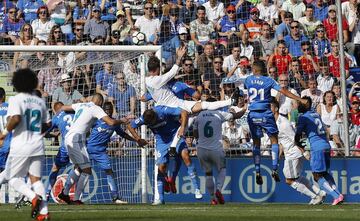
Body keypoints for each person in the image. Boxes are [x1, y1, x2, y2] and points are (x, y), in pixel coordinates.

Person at [146, 46, 239, 148]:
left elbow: (144, 97)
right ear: (158, 69)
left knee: (188, 121)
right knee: (204, 105)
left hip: (165, 109)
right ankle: (230, 101)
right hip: (177, 106)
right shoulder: (165, 81)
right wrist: (179, 58)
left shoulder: (147, 81)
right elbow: (172, 73)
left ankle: (173, 146)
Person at [57, 93, 131, 204]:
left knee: (79, 168)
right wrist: (123, 120)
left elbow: (62, 107)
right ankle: (76, 198)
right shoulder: (96, 109)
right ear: (100, 102)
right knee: (86, 170)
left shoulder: (81, 105)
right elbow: (111, 122)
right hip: (76, 139)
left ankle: (65, 193)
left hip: (69, 138)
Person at [244, 60, 307, 185]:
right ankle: (274, 168)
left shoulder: (248, 80)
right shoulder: (269, 81)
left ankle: (257, 170)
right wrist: (299, 99)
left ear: (254, 70)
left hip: (252, 114)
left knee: (256, 144)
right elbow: (284, 91)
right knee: (274, 140)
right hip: (266, 113)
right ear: (264, 70)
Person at [0, 69, 50, 220]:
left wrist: (3, 134)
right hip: (38, 145)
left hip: (20, 144)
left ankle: (33, 197)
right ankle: (44, 213)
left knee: (12, 177)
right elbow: (47, 125)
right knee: (36, 180)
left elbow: (15, 118)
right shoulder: (40, 102)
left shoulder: (16, 99)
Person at [128, 105, 203, 205]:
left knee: (185, 155)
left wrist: (182, 128)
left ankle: (197, 189)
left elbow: (184, 112)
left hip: (175, 135)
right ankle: (161, 198)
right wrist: (138, 139)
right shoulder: (143, 118)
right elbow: (130, 125)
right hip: (161, 141)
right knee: (161, 167)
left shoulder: (162, 110)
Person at [86, 102, 146, 204]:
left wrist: (136, 140)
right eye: (106, 109)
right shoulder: (96, 120)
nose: (108, 110)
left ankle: (115, 197)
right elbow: (86, 129)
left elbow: (122, 134)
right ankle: (67, 192)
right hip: (89, 148)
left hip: (101, 151)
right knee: (79, 170)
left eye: (110, 109)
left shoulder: (114, 123)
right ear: (102, 109)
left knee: (109, 171)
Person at [270, 98, 326, 205]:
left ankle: (315, 197)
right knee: (297, 177)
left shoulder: (283, 123)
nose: (268, 109)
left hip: (293, 152)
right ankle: (320, 192)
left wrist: (304, 152)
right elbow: (281, 142)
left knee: (289, 180)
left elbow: (294, 138)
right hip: (290, 152)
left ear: (276, 108)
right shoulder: (275, 123)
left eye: (270, 107)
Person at [193, 97, 246, 205]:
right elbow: (236, 116)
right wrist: (245, 108)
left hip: (202, 149)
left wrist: (199, 141)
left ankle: (213, 198)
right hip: (216, 148)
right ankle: (218, 190)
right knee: (222, 169)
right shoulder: (219, 114)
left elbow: (194, 131)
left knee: (208, 174)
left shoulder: (199, 116)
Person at [295, 96, 344, 205]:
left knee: (316, 176)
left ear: (305, 105)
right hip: (326, 145)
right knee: (325, 173)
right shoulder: (316, 114)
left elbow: (297, 136)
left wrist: (299, 145)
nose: (298, 106)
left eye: (300, 104)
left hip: (317, 147)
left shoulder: (303, 117)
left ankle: (336, 196)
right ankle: (339, 194)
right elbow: (325, 129)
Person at [45, 102, 74, 200]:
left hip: (65, 147)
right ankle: (66, 192)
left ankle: (46, 193)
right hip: (77, 144)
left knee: (55, 168)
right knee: (80, 169)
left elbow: (45, 133)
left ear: (56, 110)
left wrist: (54, 134)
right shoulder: (74, 113)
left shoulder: (56, 117)